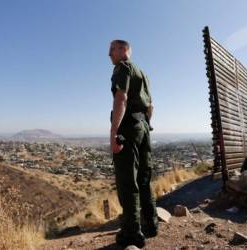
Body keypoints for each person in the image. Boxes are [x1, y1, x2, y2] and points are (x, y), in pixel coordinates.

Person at [109, 40, 158, 248]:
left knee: (128, 181)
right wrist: (146, 126)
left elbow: (121, 98)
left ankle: (131, 233)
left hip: (129, 127)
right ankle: (151, 224)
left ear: (123, 50)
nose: (109, 55)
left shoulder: (123, 68)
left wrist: (114, 132)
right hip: (144, 128)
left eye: (111, 50)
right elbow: (151, 107)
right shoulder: (143, 74)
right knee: (144, 177)